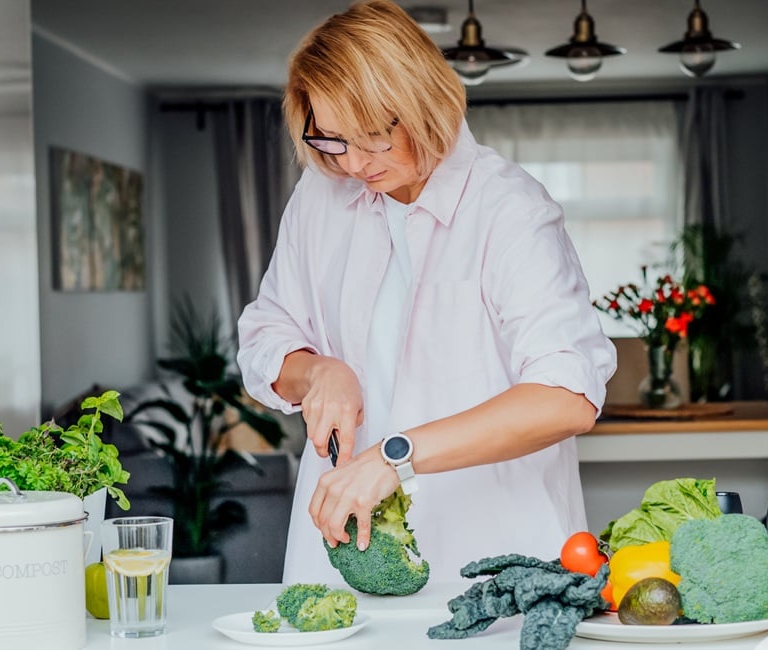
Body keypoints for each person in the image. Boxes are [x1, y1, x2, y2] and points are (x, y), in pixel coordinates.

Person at [237, 0, 617, 584]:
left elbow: (565, 396)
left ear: (423, 101)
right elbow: (267, 335)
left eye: (372, 137)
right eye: (332, 139)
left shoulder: (509, 208)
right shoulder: (322, 194)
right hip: (346, 547)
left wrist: (395, 456)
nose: (356, 163)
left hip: (493, 550)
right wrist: (318, 372)